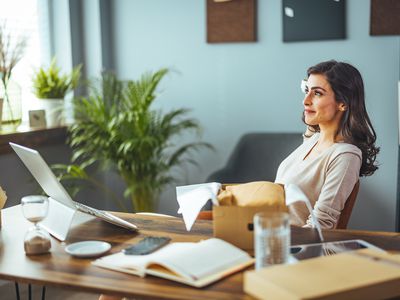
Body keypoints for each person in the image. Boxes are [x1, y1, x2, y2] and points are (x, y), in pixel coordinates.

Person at [275, 60, 379, 229]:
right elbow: (312, 121)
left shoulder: (345, 156)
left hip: (300, 249)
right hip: (272, 236)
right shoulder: (313, 139)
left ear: (343, 103)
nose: (305, 100)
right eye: (307, 91)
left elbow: (320, 226)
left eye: (317, 93)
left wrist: (273, 243)